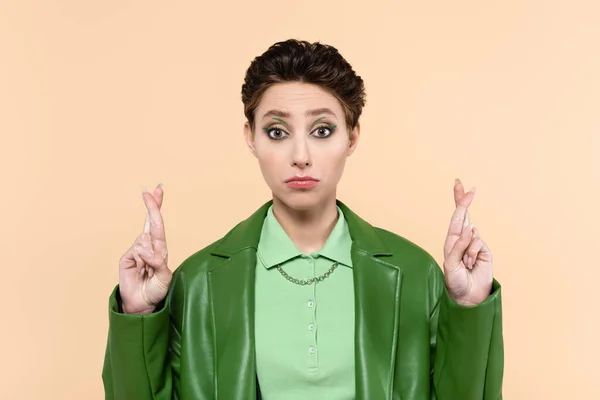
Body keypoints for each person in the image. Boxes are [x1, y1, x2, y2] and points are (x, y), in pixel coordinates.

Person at [102, 39, 503, 400]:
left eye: (322, 130)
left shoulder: (415, 273)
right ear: (251, 138)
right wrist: (138, 315)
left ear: (353, 136)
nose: (301, 155)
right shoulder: (199, 281)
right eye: (277, 131)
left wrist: (469, 306)